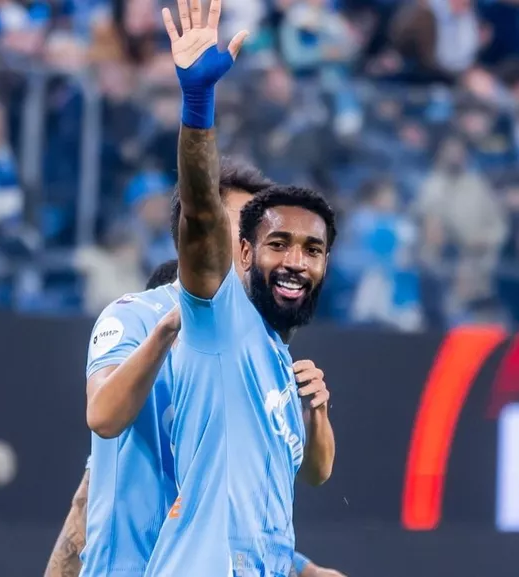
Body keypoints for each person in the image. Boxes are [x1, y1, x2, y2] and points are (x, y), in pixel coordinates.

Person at [44, 162, 344, 577]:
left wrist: (301, 568)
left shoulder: (258, 350)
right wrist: (168, 329)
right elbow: (103, 420)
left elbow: (238, 501)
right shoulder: (137, 314)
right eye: (241, 226)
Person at [144, 0, 337, 573]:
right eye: (279, 244)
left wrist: (318, 412)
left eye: (312, 250)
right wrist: (198, 102)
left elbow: (317, 473)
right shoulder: (219, 317)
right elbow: (202, 215)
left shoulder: (278, 360)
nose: (296, 262)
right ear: (245, 253)